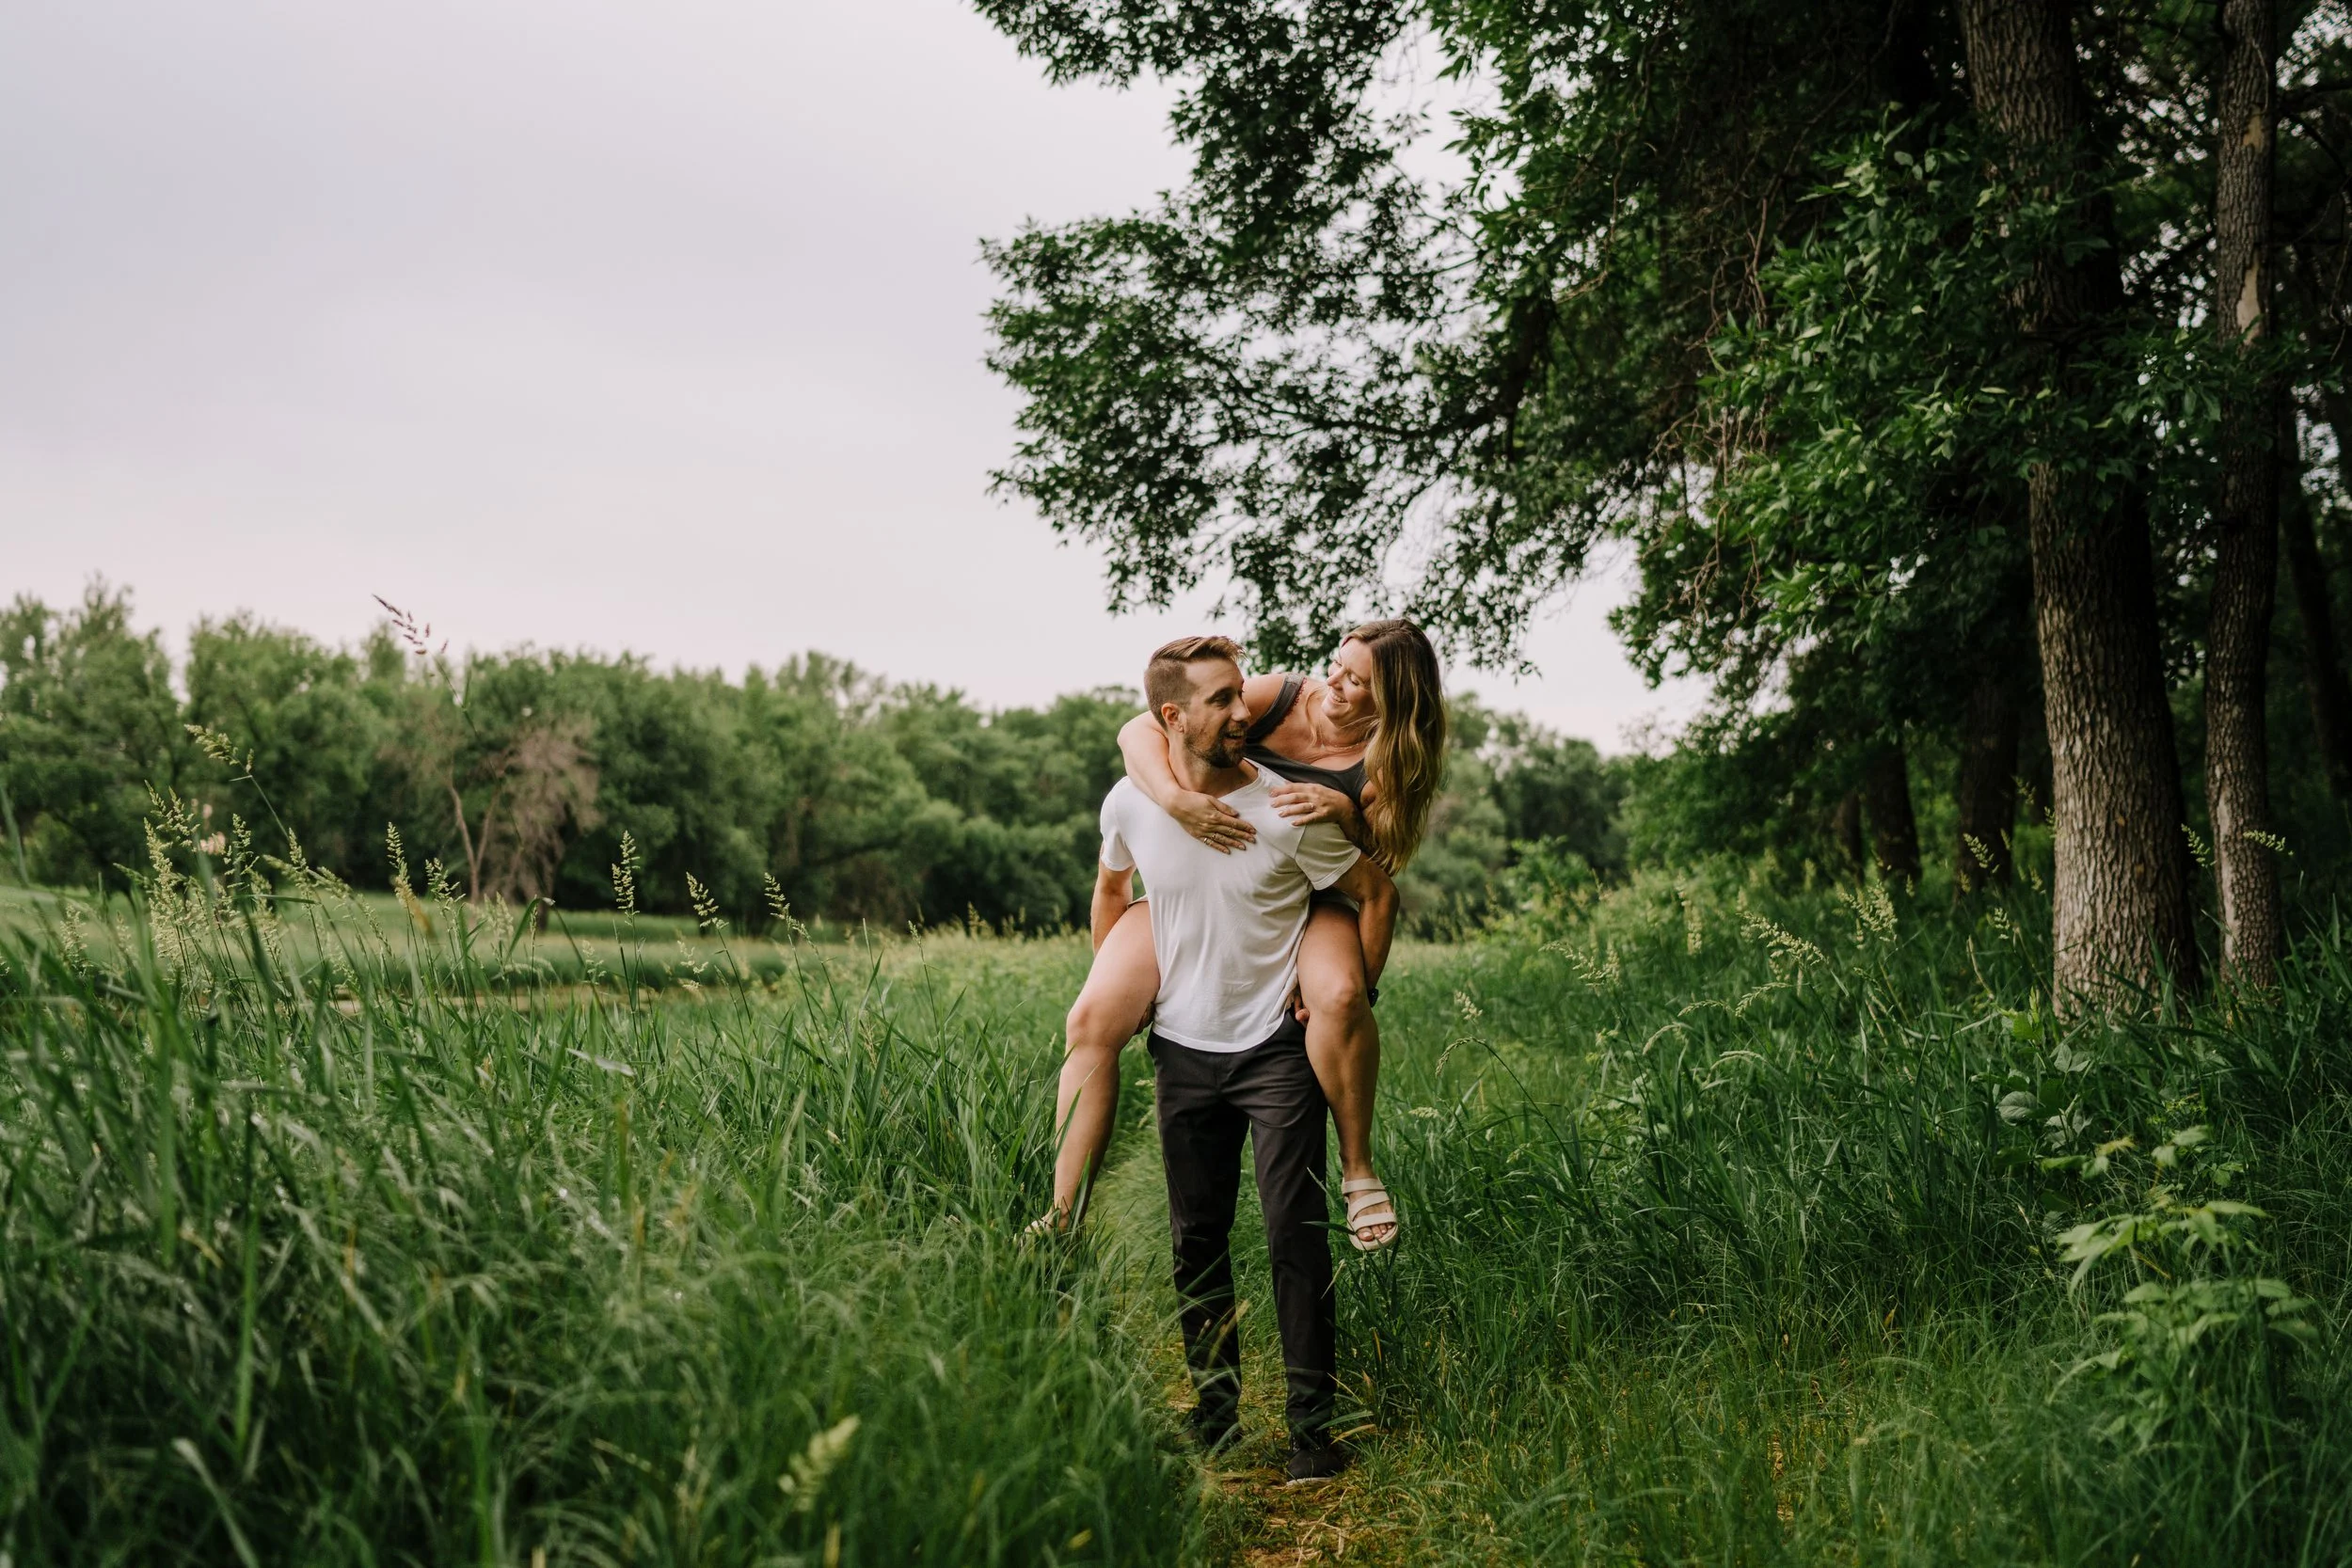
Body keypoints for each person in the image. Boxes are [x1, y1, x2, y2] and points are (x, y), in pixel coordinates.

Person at [1070, 635, 1399, 1481]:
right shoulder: (1133, 803)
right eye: (1220, 700)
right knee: (1197, 1240)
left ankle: (1310, 1433)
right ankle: (1214, 1416)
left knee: (1297, 1235)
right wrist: (1126, 982)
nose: (1241, 711)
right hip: (1182, 1048)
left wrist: (1350, 993)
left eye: (1239, 696)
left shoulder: (1287, 809)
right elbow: (1112, 886)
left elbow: (1370, 889)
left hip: (1276, 1052)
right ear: (1173, 716)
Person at [1047, 619, 1446, 1249]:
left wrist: (1344, 810)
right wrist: (1177, 801)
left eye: (1356, 681)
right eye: (1337, 665)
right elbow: (1141, 727)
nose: (1333, 684)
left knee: (1338, 996)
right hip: (1207, 878)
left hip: (1315, 895)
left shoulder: (1392, 762)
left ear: (1394, 699)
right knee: (1090, 1018)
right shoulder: (1278, 694)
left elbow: (1380, 870)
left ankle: (1358, 1167)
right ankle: (1062, 1218)